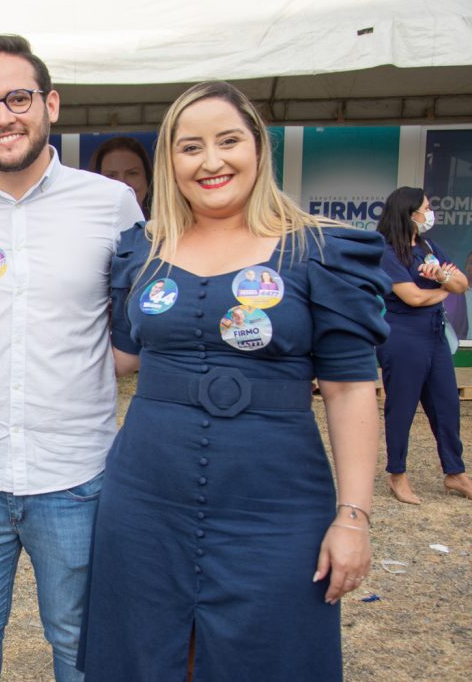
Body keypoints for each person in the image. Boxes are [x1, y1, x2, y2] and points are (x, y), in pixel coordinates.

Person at [78, 81, 389, 680]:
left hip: (275, 505)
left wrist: (353, 517)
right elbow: (118, 357)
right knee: (146, 655)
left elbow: (351, 391)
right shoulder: (141, 251)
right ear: (170, 161)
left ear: (258, 148)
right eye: (190, 147)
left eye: (228, 141)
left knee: (269, 655)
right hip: (145, 500)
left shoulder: (317, 250)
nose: (212, 161)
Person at [0, 35, 143, 682]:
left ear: (51, 104)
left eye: (19, 98)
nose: (4, 116)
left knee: (77, 641)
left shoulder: (111, 205)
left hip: (75, 477)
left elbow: (133, 335)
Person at [375, 186, 472, 504]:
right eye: (425, 209)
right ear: (409, 214)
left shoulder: (430, 246)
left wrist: (444, 279)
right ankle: (397, 474)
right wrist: (444, 289)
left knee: (446, 405)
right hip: (403, 337)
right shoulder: (388, 252)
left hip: (434, 337)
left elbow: (462, 284)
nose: (430, 214)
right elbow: (412, 297)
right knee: (401, 407)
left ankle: (455, 473)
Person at [88, 135, 153, 218]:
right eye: (111, 175)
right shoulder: (83, 229)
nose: (123, 183)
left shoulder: (166, 228)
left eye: (132, 173)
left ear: (147, 178)